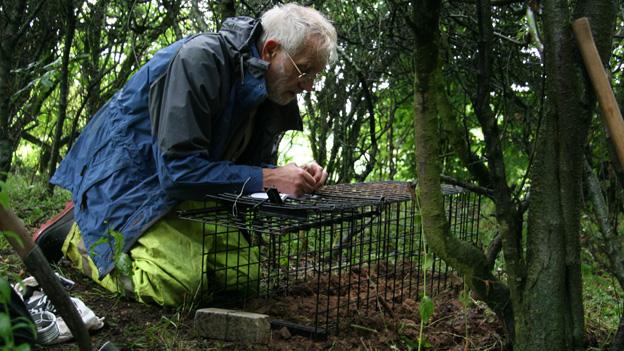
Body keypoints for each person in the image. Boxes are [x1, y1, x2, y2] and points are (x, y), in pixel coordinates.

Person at [36, 3, 337, 307]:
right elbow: (177, 171)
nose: (309, 86)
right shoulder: (201, 60)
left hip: (188, 189)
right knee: (176, 284)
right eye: (304, 69)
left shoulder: (270, 86)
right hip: (133, 184)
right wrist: (269, 177)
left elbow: (247, 167)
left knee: (243, 278)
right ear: (271, 50)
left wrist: (289, 175)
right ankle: (77, 239)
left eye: (316, 75)